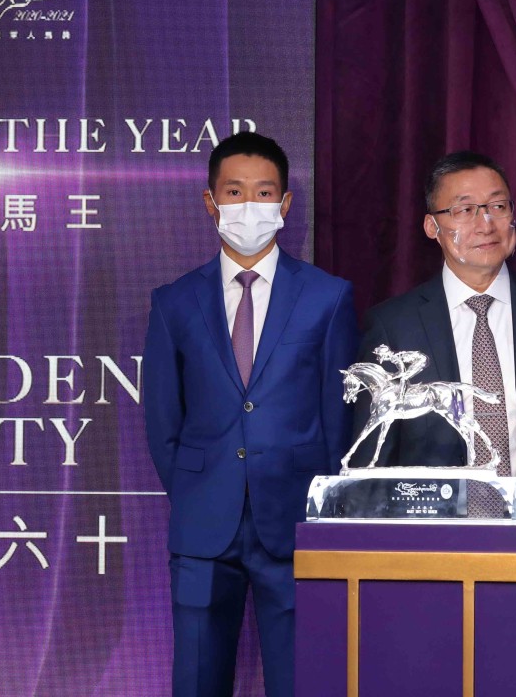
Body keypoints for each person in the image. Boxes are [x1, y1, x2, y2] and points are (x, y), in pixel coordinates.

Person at [143, 132, 358, 696]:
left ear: (285, 205)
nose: (248, 207)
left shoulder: (328, 296)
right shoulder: (174, 302)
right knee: (196, 678)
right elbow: (163, 421)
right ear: (210, 202)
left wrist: (319, 502)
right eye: (233, 192)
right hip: (203, 523)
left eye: (263, 193)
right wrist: (198, 490)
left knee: (299, 679)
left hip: (293, 520)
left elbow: (339, 421)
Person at [347, 151, 516, 518]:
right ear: (433, 227)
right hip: (434, 546)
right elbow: (374, 464)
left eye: (498, 206)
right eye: (465, 210)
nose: (486, 223)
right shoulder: (393, 325)